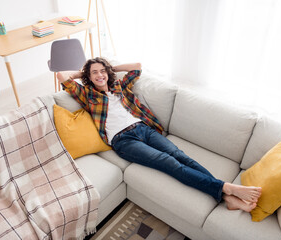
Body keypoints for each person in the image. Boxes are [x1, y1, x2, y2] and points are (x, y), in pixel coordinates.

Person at [57, 57, 261, 212]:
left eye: (103, 71)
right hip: (123, 140)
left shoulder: (119, 86)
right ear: (89, 77)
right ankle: (227, 189)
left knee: (181, 156)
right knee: (168, 163)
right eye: (95, 73)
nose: (100, 75)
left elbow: (136, 66)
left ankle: (225, 196)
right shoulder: (87, 94)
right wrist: (83, 73)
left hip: (143, 128)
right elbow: (61, 75)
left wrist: (110, 68)